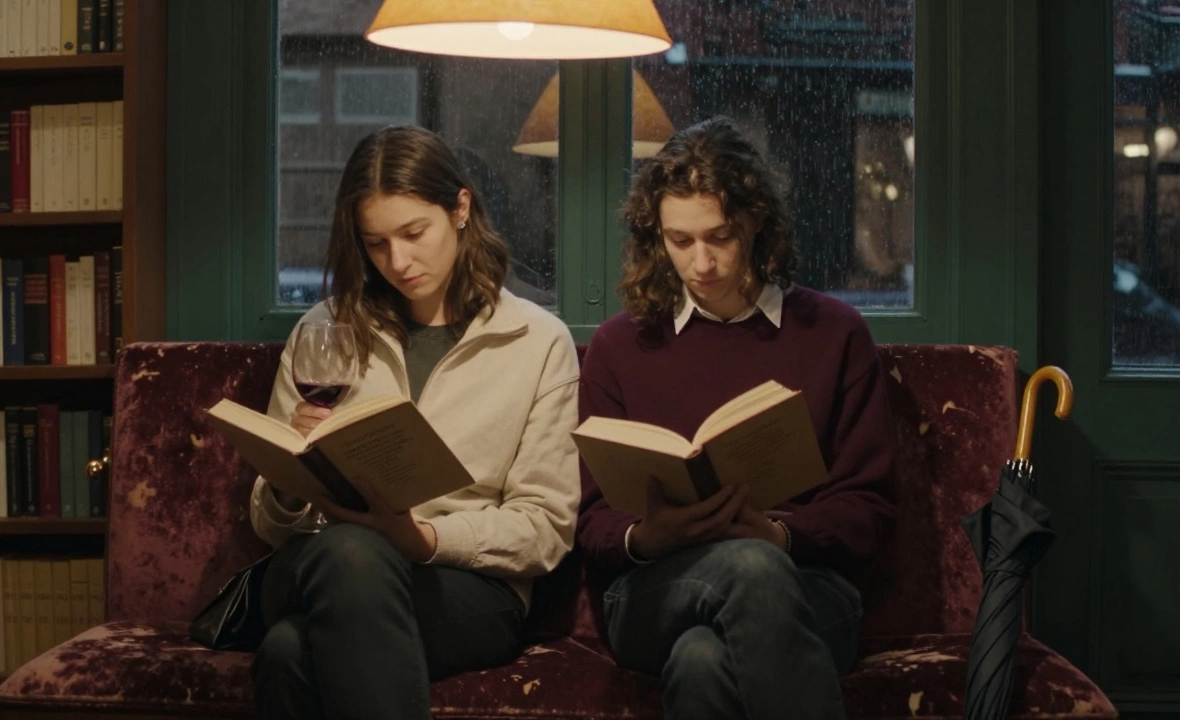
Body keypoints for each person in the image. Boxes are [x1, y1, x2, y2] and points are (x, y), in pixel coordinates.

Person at [248, 125, 581, 720]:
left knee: (287, 651)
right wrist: (288, 476)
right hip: (320, 563)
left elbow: (545, 528)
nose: (398, 262)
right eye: (375, 244)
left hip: (464, 585)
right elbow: (269, 523)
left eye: (413, 233)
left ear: (460, 209)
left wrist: (423, 539)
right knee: (350, 552)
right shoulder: (324, 331)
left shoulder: (536, 341)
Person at [576, 117, 898, 720]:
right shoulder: (620, 346)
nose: (700, 263)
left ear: (754, 222)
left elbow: (868, 511)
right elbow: (591, 520)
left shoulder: (834, 333)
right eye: (679, 241)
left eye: (720, 237)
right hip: (654, 589)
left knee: (703, 658)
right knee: (747, 569)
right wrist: (648, 536)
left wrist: (778, 535)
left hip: (808, 585)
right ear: (657, 237)